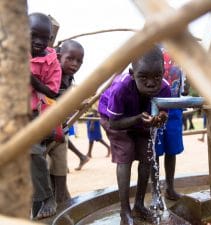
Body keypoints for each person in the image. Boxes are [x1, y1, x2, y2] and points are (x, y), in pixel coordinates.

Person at [98, 45, 171, 225]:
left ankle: (139, 205)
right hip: (115, 119)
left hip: (140, 119)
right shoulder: (120, 88)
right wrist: (139, 118)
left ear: (163, 72)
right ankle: (125, 210)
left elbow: (164, 112)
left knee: (147, 156)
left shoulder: (165, 88)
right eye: (143, 77)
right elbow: (115, 123)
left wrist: (160, 117)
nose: (151, 83)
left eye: (157, 76)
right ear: (132, 73)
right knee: (126, 153)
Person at [29, 12, 61, 220]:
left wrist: (31, 79)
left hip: (36, 115)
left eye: (45, 37)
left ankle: (46, 197)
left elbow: (52, 92)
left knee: (33, 152)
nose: (39, 42)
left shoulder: (52, 62)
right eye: (33, 35)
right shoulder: (12, 53)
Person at [150, 49, 185, 210]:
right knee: (155, 151)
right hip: (155, 105)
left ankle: (170, 188)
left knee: (172, 149)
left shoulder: (182, 49)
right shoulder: (153, 47)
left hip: (175, 105)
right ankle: (156, 192)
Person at [55, 40, 90, 172]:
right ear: (58, 57)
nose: (74, 64)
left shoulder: (69, 78)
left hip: (60, 127)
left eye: (79, 61)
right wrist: (76, 104)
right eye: (70, 59)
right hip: (47, 130)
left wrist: (78, 105)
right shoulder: (53, 77)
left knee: (59, 172)